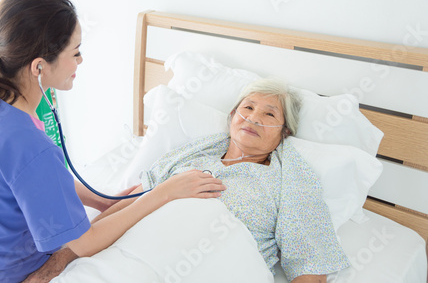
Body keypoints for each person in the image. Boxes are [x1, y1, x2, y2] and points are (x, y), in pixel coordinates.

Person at [0, 0, 226, 283]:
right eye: (75, 52)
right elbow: (86, 242)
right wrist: (164, 193)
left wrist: (101, 201)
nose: (80, 61)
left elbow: (29, 178)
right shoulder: (29, 144)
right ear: (39, 66)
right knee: (72, 245)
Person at [96, 78, 350, 283]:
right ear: (232, 115)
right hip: (133, 258)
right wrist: (72, 248)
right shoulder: (193, 154)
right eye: (248, 107)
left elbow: (309, 265)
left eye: (269, 115)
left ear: (285, 132)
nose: (253, 118)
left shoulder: (291, 181)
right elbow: (132, 202)